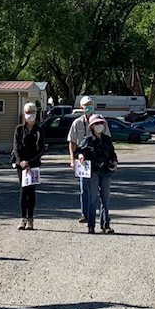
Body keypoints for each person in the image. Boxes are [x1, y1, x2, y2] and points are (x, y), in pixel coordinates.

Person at [76, 114, 119, 233]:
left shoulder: (107, 139)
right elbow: (78, 151)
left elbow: (112, 153)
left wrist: (114, 162)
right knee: (92, 199)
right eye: (96, 124)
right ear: (91, 126)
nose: (99, 126)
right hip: (93, 171)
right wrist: (80, 155)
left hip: (105, 172)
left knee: (105, 199)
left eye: (101, 123)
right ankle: (91, 225)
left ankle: (106, 225)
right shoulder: (88, 140)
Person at [13, 102, 47, 230]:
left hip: (33, 165)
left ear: (36, 114)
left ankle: (31, 219)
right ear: (24, 114)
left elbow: (41, 149)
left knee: (31, 192)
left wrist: (30, 163)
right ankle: (22, 218)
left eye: (32, 112)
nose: (30, 115)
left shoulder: (39, 130)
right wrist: (21, 161)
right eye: (27, 112)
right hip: (20, 165)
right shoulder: (19, 129)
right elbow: (16, 147)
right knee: (23, 191)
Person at [67, 94, 95, 224]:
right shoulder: (77, 123)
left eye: (90, 105)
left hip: (95, 158)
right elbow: (72, 142)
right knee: (84, 188)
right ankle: (84, 214)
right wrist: (72, 160)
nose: (88, 108)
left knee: (95, 187)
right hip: (81, 159)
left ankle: (94, 213)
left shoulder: (98, 121)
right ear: (81, 107)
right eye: (86, 106)